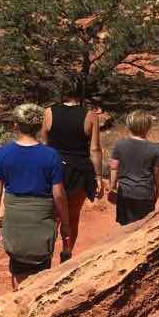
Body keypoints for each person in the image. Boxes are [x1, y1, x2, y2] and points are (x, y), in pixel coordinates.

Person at [0, 117, 72, 290]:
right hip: (42, 219)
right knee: (41, 269)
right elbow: (58, 194)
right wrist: (65, 223)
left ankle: (17, 301)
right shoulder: (51, 155)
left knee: (17, 264)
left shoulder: (3, 153)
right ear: (40, 127)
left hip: (15, 220)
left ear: (16, 125)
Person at [42, 93, 103, 261]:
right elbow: (95, 149)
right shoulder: (90, 115)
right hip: (78, 171)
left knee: (52, 216)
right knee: (73, 216)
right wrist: (98, 176)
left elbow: (45, 144)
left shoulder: (48, 112)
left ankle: (45, 255)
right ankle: (66, 253)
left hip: (53, 169)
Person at [108, 112, 159, 225]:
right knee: (144, 226)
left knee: (125, 227)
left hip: (125, 193)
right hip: (145, 193)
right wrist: (158, 188)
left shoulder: (119, 145)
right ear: (148, 127)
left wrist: (112, 187)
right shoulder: (155, 149)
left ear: (129, 125)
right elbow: (158, 173)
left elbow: (114, 168)